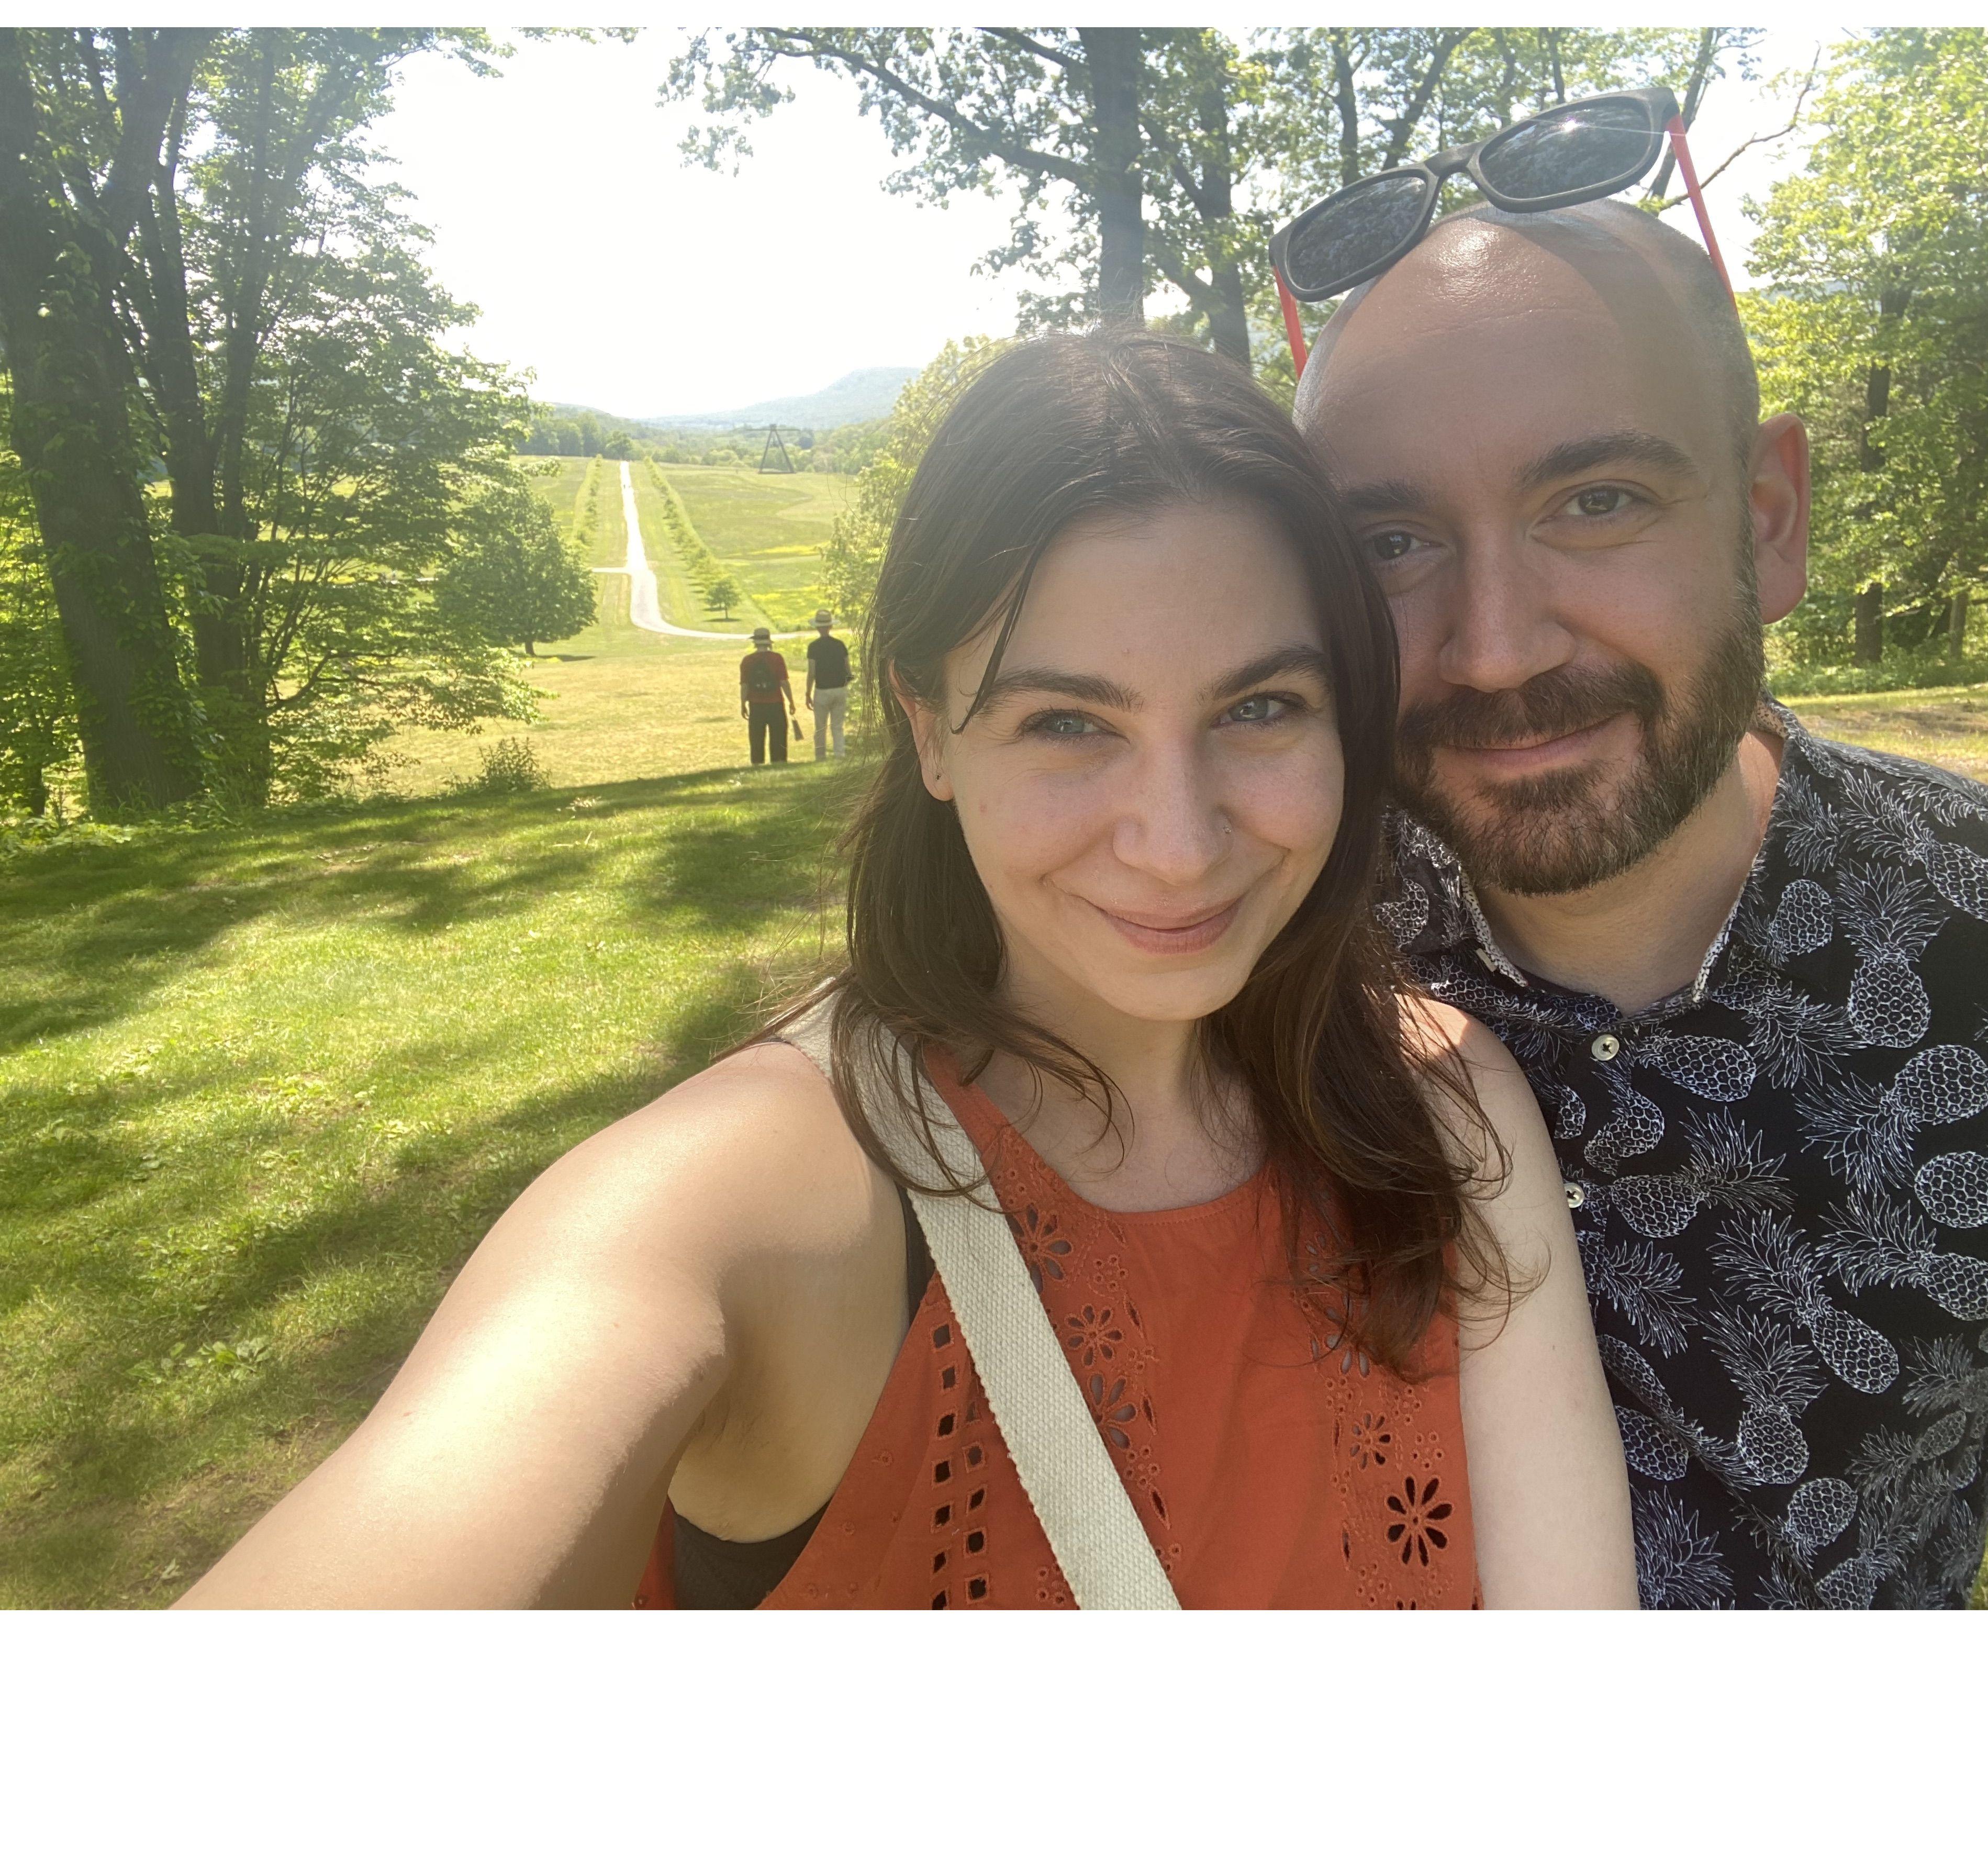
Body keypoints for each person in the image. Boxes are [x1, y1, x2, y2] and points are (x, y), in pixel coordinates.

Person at [177, 330, 1634, 1610]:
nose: (1179, 843)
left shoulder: (1444, 1114)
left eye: (1259, 706)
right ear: (930, 729)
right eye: (1069, 723)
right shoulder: (768, 1197)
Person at [1292, 194, 1988, 1609]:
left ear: (1769, 517)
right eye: (1393, 546)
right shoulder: (1264, 928)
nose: (1495, 649)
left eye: (1595, 502)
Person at [739, 625, 797, 765]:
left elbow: (745, 685)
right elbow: (784, 682)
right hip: (776, 703)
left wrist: (743, 705)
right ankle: (779, 763)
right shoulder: (777, 658)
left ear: (755, 643)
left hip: (756, 704)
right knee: (778, 737)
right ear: (769, 642)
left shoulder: (747, 661)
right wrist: (791, 702)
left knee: (757, 738)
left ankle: (757, 764)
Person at [806, 607, 852, 760]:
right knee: (838, 725)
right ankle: (840, 754)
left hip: (822, 690)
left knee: (820, 726)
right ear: (831, 626)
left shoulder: (814, 647)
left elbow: (812, 672)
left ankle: (820, 756)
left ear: (817, 627)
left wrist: (808, 692)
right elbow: (848, 668)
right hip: (840, 689)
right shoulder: (840, 645)